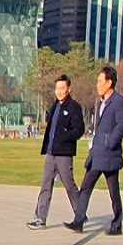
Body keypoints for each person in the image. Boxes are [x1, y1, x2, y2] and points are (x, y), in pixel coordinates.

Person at [65, 65, 123, 236]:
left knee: (113, 190)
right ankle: (79, 221)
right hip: (97, 153)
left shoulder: (118, 101)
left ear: (109, 82)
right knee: (86, 186)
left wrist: (111, 142)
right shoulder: (101, 103)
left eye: (100, 81)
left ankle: (117, 224)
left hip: (110, 154)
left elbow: (122, 124)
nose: (97, 84)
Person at [27, 75, 84, 229]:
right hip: (51, 153)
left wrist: (66, 136)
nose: (59, 91)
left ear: (69, 89)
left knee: (69, 185)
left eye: (62, 88)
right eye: (57, 88)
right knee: (45, 184)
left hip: (64, 154)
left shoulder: (74, 107)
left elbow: (79, 130)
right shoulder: (55, 107)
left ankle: (80, 214)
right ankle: (40, 218)